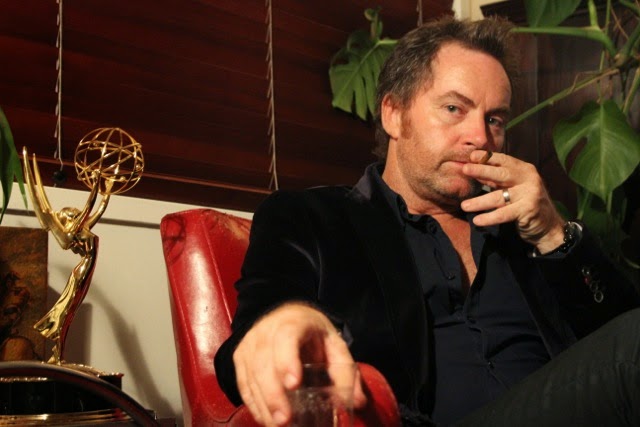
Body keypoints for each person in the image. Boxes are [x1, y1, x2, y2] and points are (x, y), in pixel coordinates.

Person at [214, 16, 640, 427]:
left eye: (494, 119)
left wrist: (552, 233)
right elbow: (249, 347)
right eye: (454, 108)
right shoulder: (312, 218)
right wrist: (285, 321)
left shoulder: (523, 228)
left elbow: (618, 336)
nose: (480, 137)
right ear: (394, 114)